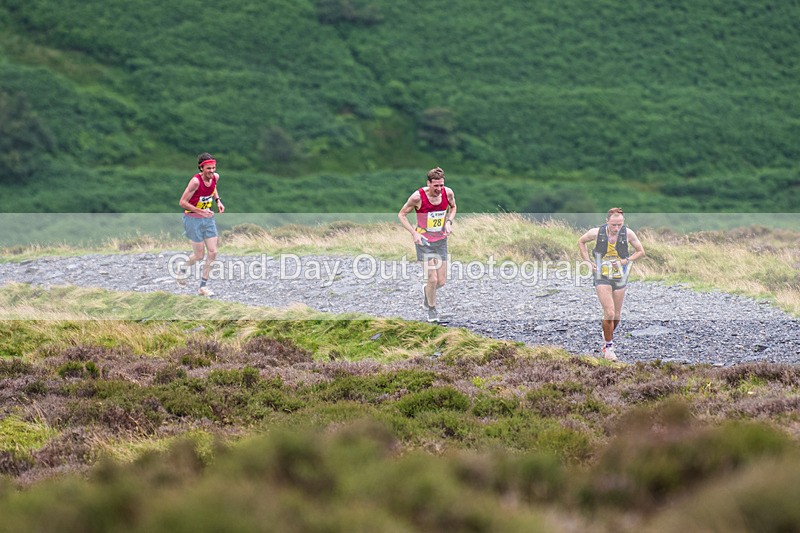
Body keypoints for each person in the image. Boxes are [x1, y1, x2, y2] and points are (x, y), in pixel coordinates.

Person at [577, 207, 645, 360]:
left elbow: (641, 251)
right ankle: (608, 348)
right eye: (613, 225)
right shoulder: (597, 232)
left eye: (619, 225)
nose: (616, 228)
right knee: (609, 313)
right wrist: (587, 262)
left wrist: (624, 261)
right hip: (602, 275)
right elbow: (581, 241)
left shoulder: (628, 233)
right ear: (607, 221)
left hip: (620, 276)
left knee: (617, 316)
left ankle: (606, 332)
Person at [398, 167, 457, 322]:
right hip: (424, 241)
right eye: (435, 186)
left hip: (441, 240)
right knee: (432, 279)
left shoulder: (448, 193)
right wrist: (414, 233)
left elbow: (453, 207)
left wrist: (449, 222)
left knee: (441, 281)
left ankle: (427, 292)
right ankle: (432, 310)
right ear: (428, 183)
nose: (439, 189)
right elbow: (402, 214)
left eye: (441, 185)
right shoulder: (417, 197)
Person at [176, 152, 225, 296]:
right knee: (199, 256)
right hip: (192, 219)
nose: (212, 171)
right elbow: (182, 202)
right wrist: (200, 211)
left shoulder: (215, 177)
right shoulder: (195, 182)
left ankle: (203, 287)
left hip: (207, 218)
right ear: (201, 168)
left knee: (213, 252)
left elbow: (213, 188)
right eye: (208, 169)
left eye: (213, 168)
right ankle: (182, 267)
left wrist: (218, 201)